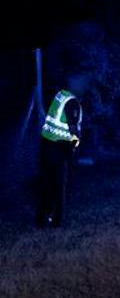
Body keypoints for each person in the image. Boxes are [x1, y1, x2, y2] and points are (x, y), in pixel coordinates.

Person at [36, 71, 88, 228]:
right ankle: (57, 221)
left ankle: (42, 219)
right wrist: (75, 146)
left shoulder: (60, 95)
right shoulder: (73, 103)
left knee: (46, 184)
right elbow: (73, 130)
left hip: (46, 145)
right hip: (58, 149)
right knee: (59, 186)